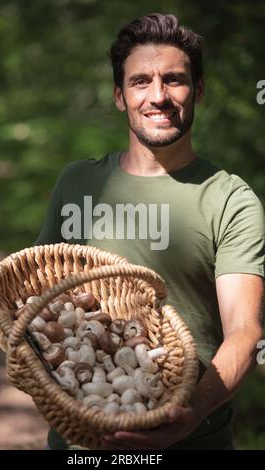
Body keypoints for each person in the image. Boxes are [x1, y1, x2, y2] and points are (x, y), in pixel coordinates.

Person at [35, 13, 264, 450]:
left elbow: (245, 331)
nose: (158, 96)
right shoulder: (78, 183)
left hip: (195, 440)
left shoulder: (231, 200)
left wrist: (189, 415)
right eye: (141, 82)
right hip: (84, 441)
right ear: (120, 96)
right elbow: (36, 301)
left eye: (174, 80)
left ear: (197, 90)